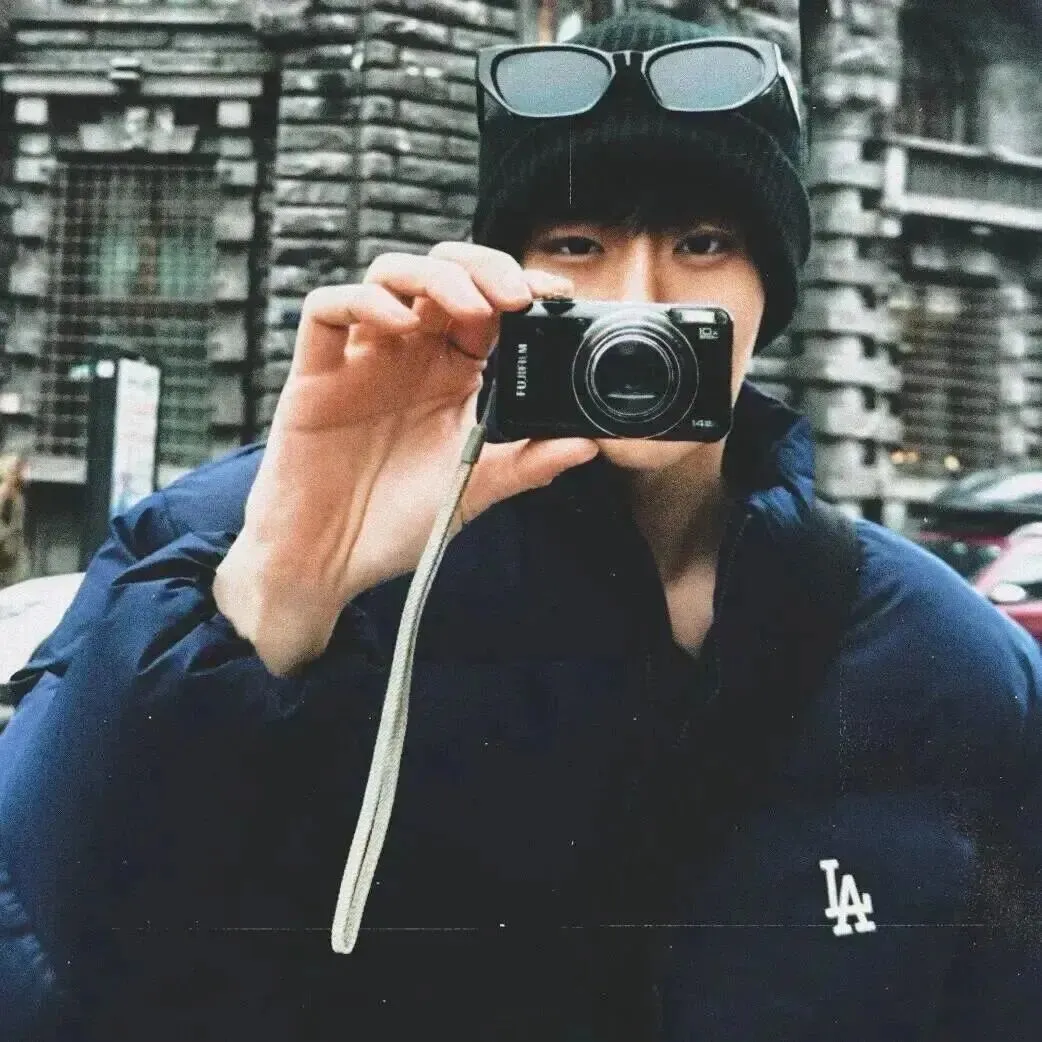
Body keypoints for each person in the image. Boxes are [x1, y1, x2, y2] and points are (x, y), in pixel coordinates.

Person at [1, 11, 1040, 1041]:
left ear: (771, 286)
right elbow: (63, 967)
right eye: (576, 245)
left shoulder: (940, 653)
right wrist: (279, 589)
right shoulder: (233, 544)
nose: (635, 301)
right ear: (500, 278)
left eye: (703, 242)